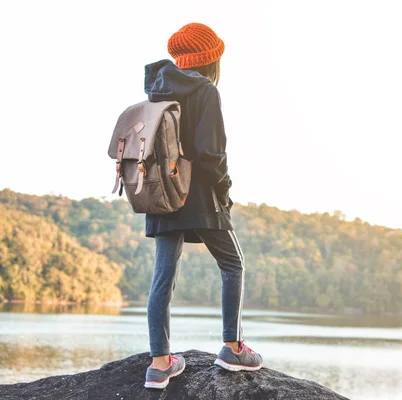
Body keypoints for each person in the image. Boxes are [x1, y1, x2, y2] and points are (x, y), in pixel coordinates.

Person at [141, 22, 263, 390]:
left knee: (163, 277)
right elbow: (211, 154)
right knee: (233, 264)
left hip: (162, 195)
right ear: (210, 60)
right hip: (200, 195)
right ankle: (232, 347)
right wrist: (224, 191)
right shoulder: (206, 90)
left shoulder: (157, 89)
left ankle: (160, 364)